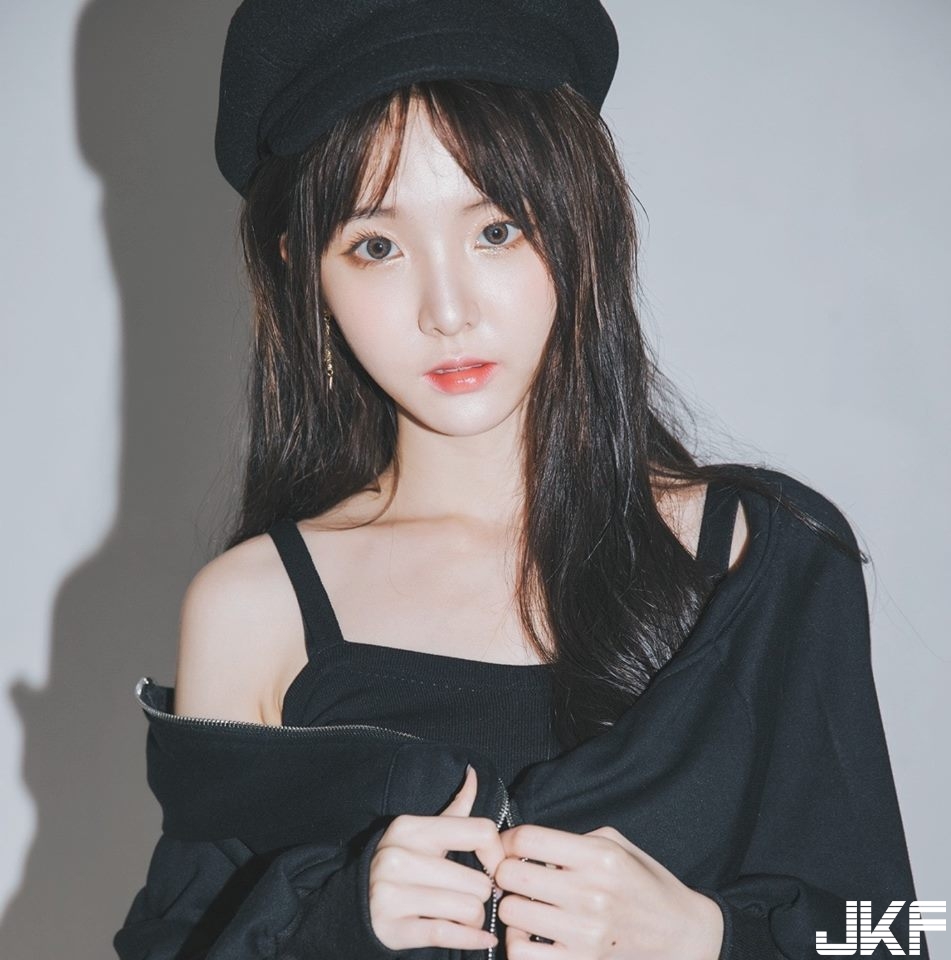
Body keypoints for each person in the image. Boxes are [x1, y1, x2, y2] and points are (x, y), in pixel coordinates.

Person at [114, 2, 928, 959]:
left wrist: (706, 937)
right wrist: (339, 927)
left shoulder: (763, 555)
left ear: (583, 223)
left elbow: (902, 931)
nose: (446, 309)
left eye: (496, 229)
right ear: (306, 272)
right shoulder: (254, 607)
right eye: (376, 246)